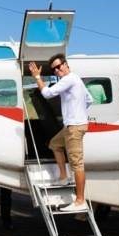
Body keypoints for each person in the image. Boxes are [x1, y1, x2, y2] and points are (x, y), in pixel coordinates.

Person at [28, 53, 93, 212]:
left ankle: (80, 201)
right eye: (54, 69)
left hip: (74, 127)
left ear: (66, 64)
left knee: (77, 164)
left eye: (59, 66)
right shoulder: (76, 79)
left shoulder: (69, 79)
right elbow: (89, 99)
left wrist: (37, 77)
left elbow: (47, 94)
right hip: (73, 126)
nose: (57, 70)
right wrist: (78, 112)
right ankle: (64, 178)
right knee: (54, 144)